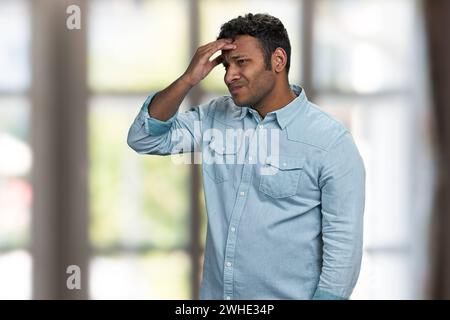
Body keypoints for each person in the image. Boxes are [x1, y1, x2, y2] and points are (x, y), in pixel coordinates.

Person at [127, 13, 365, 300]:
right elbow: (145, 138)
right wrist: (189, 79)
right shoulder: (215, 116)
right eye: (226, 66)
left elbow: (344, 247)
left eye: (241, 62)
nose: (229, 76)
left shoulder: (330, 141)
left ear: (278, 61)